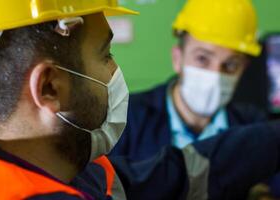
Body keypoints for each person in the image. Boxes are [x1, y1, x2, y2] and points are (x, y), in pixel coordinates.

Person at [0, 1, 280, 200]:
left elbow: (177, 174)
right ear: (49, 87)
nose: (115, 71)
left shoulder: (81, 173)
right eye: (105, 55)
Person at [111, 0, 268, 161]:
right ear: (178, 58)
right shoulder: (126, 121)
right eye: (202, 58)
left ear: (244, 68)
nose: (215, 75)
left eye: (231, 64)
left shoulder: (255, 128)